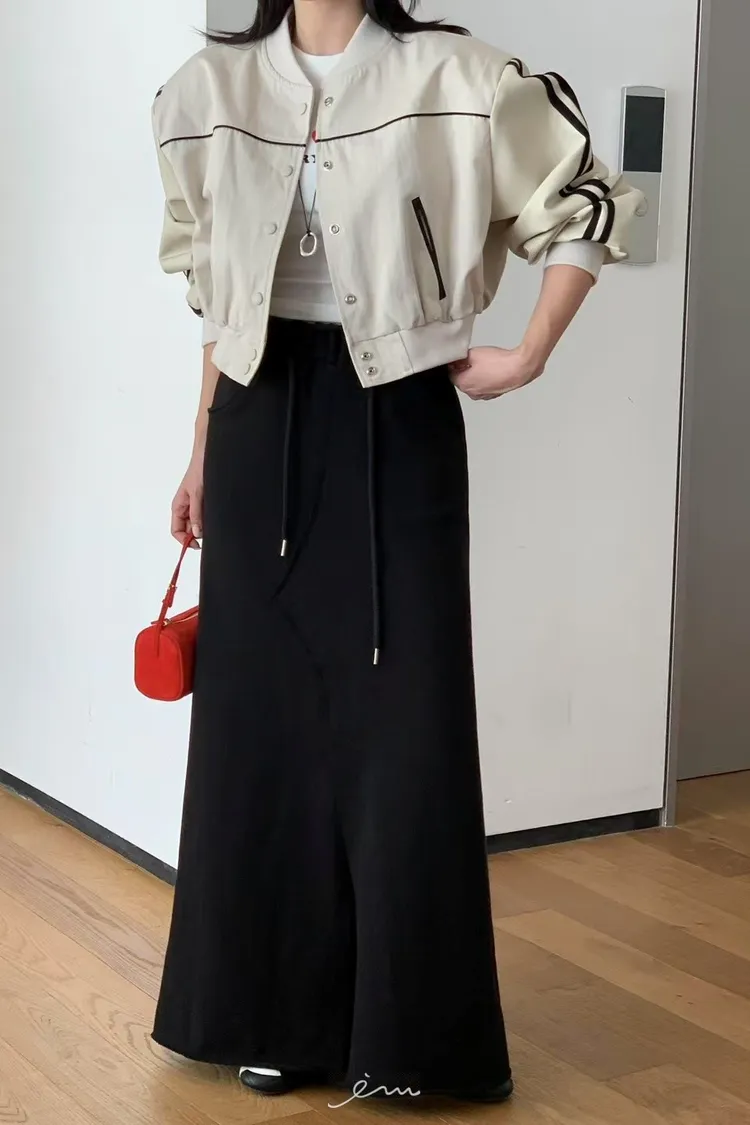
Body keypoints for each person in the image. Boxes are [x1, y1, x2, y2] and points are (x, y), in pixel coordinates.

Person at [149, 0, 642, 1104]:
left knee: (407, 725)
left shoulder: (456, 76)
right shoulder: (209, 92)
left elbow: (587, 200)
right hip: (254, 422)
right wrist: (198, 454)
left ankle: (411, 1038)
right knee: (260, 728)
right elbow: (217, 300)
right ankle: (271, 1020)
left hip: (399, 414)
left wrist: (530, 353)